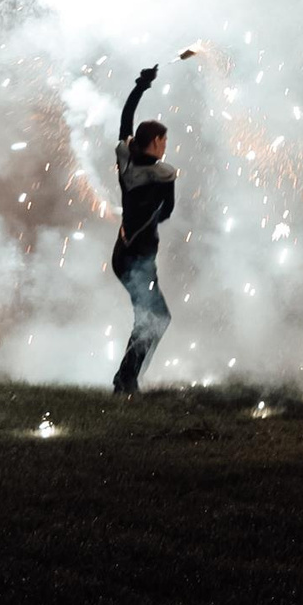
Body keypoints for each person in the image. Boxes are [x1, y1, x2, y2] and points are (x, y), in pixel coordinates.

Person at [111, 65, 178, 393]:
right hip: (139, 258)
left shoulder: (126, 161)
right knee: (153, 318)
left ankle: (129, 377)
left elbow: (126, 118)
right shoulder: (164, 175)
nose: (166, 145)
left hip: (124, 255)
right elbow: (167, 213)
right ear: (155, 140)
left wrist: (141, 85)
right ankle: (126, 379)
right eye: (164, 140)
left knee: (153, 318)